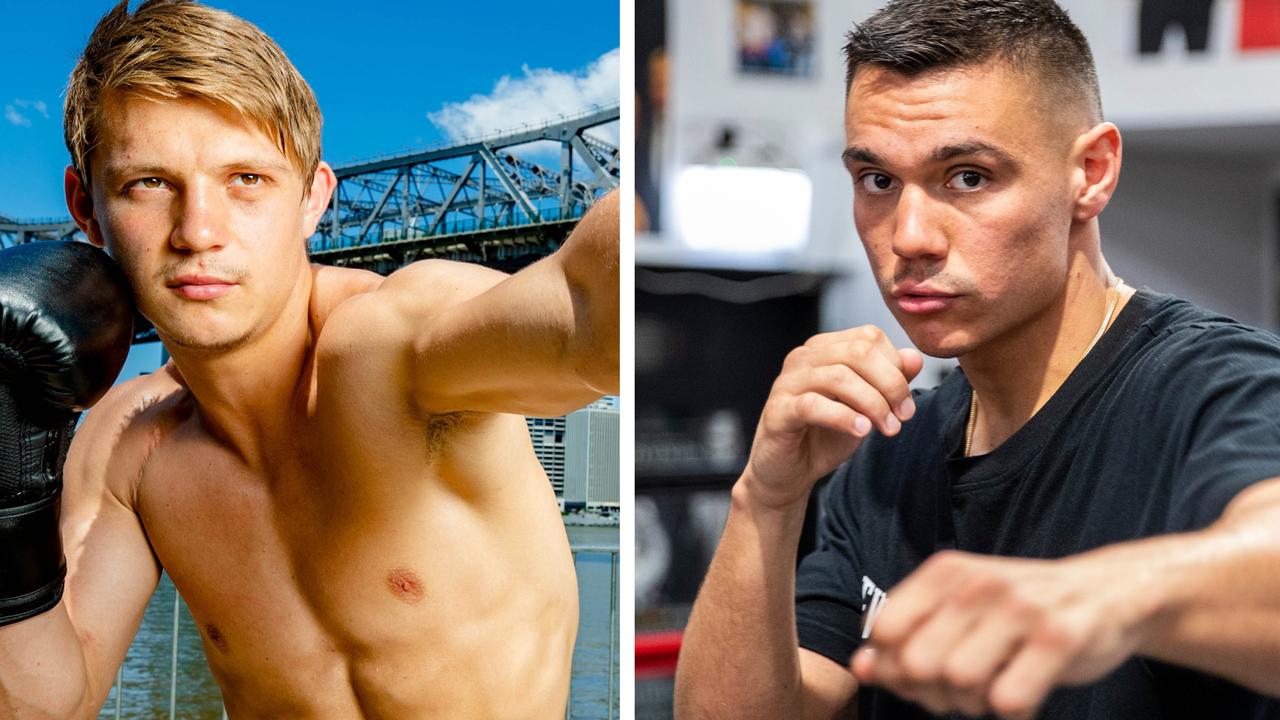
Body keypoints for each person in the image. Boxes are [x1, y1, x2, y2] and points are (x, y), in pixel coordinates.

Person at [0, 0, 618, 717]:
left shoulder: (393, 347)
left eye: (248, 180)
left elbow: (584, 311)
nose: (199, 231)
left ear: (314, 199)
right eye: (150, 183)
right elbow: (46, 705)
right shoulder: (125, 447)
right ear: (84, 205)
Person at [675, 1, 1280, 718]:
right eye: (878, 181)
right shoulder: (886, 454)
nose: (911, 236)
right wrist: (765, 501)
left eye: (967, 176)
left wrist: (1102, 595)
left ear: (1091, 171)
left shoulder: (1214, 384)